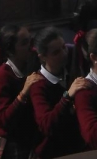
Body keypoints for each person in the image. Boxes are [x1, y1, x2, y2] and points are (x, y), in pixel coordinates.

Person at [0, 24, 43, 159]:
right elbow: (3, 120)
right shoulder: (1, 77)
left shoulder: (30, 66)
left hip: (27, 140)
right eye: (25, 43)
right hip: (9, 144)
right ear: (10, 50)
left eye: (31, 41)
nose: (31, 48)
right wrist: (23, 93)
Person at [29, 26, 86, 157]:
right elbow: (46, 125)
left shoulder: (71, 69)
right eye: (56, 52)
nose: (64, 53)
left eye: (63, 47)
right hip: (51, 152)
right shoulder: (38, 85)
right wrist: (67, 97)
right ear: (43, 57)